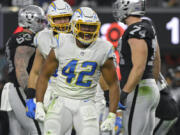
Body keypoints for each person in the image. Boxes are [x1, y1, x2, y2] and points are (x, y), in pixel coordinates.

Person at [34, 7, 120, 135]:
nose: (88, 31)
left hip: (87, 102)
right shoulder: (61, 42)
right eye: (83, 26)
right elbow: (44, 75)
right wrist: (39, 103)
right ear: (74, 26)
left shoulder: (103, 49)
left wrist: (112, 114)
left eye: (91, 27)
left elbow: (113, 84)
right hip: (61, 100)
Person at [25, 0, 73, 134]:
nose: (63, 21)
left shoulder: (80, 37)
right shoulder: (42, 37)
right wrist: (30, 97)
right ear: (51, 20)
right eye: (58, 18)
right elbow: (35, 71)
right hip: (49, 89)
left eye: (66, 18)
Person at [113, 0, 160, 135]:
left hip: (138, 89)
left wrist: (125, 92)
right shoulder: (147, 26)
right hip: (149, 88)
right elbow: (157, 59)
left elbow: (139, 67)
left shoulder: (135, 30)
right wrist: (153, 83)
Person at [0, 5, 46, 135]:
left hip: (15, 88)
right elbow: (21, 69)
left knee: (19, 133)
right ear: (29, 20)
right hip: (20, 88)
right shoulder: (26, 38)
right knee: (38, 130)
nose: (42, 24)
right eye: (39, 21)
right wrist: (30, 94)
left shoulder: (20, 37)